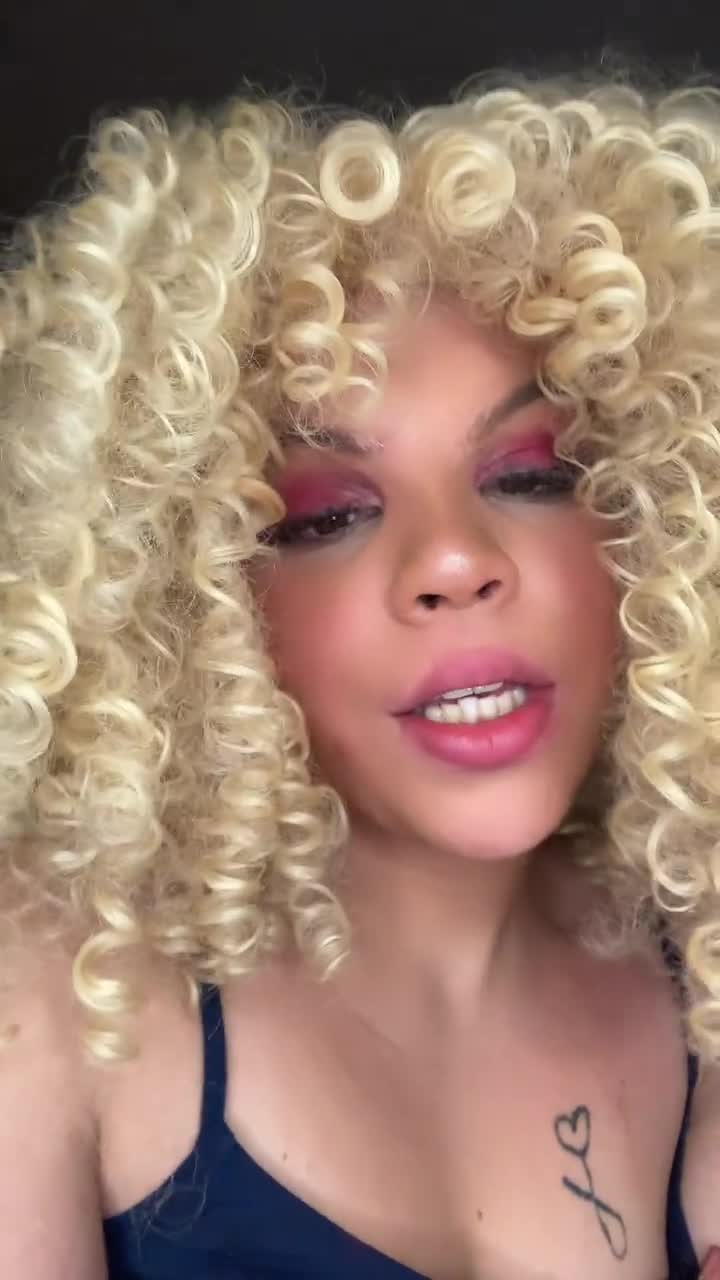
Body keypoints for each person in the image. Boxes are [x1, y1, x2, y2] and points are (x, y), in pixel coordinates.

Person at [0, 70, 719, 1280]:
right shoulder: (59, 986)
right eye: (326, 513)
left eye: (531, 475)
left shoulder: (694, 980)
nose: (454, 560)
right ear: (189, 592)